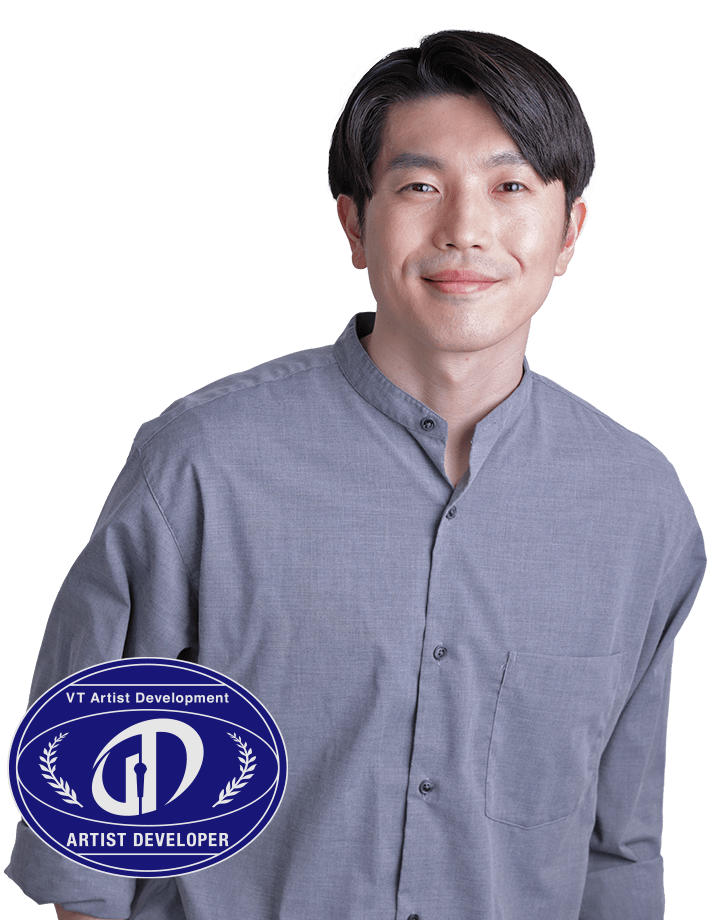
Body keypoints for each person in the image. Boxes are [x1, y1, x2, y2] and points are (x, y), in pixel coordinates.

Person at [7, 27, 705, 920]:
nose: (464, 230)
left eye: (510, 187)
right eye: (420, 187)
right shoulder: (202, 466)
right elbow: (89, 843)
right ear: (353, 224)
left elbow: (619, 848)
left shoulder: (640, 506)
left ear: (569, 230)